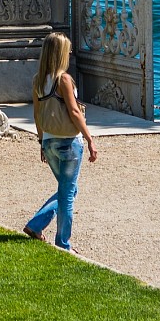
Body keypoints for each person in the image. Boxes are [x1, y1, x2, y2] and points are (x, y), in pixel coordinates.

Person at [22, 31, 98, 249]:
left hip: (49, 142)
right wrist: (90, 138)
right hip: (68, 143)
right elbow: (74, 112)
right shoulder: (63, 79)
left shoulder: (38, 80)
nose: (71, 52)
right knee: (67, 195)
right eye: (69, 49)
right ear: (61, 53)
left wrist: (41, 142)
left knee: (68, 189)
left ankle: (36, 225)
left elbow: (37, 114)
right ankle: (62, 243)